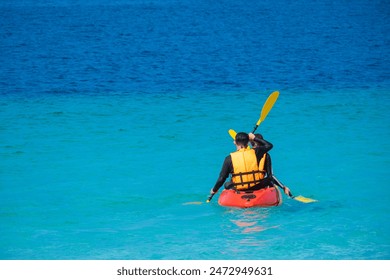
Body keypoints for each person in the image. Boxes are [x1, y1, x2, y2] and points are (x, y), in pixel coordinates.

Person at [209, 132, 273, 197]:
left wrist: (214, 190)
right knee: (269, 180)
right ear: (248, 142)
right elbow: (269, 145)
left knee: (227, 184)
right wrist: (254, 138)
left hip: (239, 188)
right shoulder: (256, 152)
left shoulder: (229, 158)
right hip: (257, 186)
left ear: (235, 142)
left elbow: (221, 178)